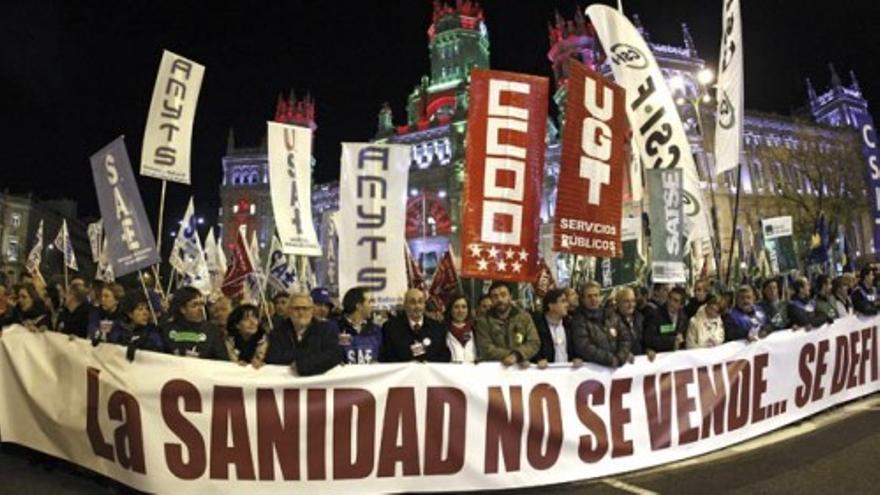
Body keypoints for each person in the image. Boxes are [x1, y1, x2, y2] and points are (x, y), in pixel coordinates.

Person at [265, 292, 342, 375]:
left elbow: (334, 355)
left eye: (305, 308)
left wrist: (301, 365)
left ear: (312, 310)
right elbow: (273, 358)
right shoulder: (277, 332)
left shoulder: (326, 330)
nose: (301, 313)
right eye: (296, 308)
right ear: (289, 311)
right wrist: (314, 354)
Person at [474, 282, 539, 366]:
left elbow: (534, 342)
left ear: (510, 296)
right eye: (495, 296)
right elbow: (486, 348)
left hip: (521, 369)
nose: (500, 299)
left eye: (503, 295)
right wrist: (513, 355)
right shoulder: (483, 321)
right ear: (491, 299)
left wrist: (518, 355)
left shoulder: (524, 317)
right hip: (495, 369)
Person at [381, 289, 451, 362]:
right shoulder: (390, 328)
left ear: (424, 305)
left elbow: (444, 356)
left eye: (420, 302)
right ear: (405, 305)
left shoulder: (438, 329)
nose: (417, 306)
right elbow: (387, 357)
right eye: (412, 302)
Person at [572, 281, 631, 367]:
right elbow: (584, 347)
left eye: (596, 295)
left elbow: (625, 338)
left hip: (617, 367)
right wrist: (610, 359)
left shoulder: (612, 316)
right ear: (583, 299)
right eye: (589, 296)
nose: (593, 299)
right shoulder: (579, 320)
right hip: (594, 370)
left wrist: (621, 356)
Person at [162, 287, 230, 360]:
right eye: (194, 305)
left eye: (201, 304)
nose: (200, 308)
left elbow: (223, 360)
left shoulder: (212, 330)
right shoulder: (166, 329)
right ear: (183, 309)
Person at [532, 288, 578, 368]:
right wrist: (538, 360)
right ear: (551, 305)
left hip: (568, 374)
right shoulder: (537, 326)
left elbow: (575, 349)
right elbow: (533, 348)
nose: (567, 305)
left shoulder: (569, 325)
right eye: (563, 301)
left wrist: (577, 358)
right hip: (547, 375)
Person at [337, 287, 382, 364]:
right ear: (359, 306)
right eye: (370, 302)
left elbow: (382, 357)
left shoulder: (376, 330)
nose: (373, 305)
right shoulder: (334, 328)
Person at [119, 291, 166, 361]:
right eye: (140, 309)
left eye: (147, 309)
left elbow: (159, 350)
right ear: (130, 314)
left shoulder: (153, 331)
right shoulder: (119, 329)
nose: (145, 313)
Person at [642, 286, 688, 357]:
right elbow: (649, 339)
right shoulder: (655, 315)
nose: (671, 302)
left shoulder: (683, 318)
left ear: (681, 305)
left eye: (675, 300)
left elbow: (684, 340)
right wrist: (672, 341)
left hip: (677, 359)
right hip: (660, 358)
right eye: (670, 298)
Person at [609, 286, 645, 356]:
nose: (631, 305)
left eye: (633, 301)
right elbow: (611, 345)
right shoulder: (611, 321)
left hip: (642, 362)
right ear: (618, 303)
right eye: (626, 301)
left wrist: (648, 349)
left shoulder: (640, 318)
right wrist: (623, 353)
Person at [445, 293, 477, 364]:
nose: (460, 311)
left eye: (464, 307)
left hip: (472, 372)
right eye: (456, 307)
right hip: (449, 373)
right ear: (450, 309)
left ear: (468, 310)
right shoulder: (443, 331)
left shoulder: (475, 329)